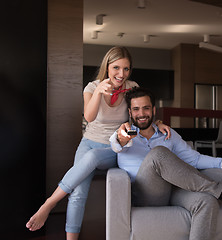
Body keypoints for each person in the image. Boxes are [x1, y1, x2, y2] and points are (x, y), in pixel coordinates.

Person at [26, 47, 171, 240]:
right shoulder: (92, 87)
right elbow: (89, 116)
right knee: (78, 192)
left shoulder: (132, 87)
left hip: (115, 147)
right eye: (116, 68)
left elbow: (140, 112)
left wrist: (157, 122)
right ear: (107, 66)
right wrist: (98, 93)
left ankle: (49, 202)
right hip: (88, 143)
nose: (121, 74)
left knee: (93, 157)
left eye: (126, 69)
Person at [110, 87, 222, 240]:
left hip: (172, 191)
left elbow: (194, 159)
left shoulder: (167, 134)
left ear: (153, 110)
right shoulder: (124, 134)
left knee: (207, 201)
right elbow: (116, 143)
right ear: (130, 112)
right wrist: (121, 139)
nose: (141, 114)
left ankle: (219, 195)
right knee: (158, 153)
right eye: (136, 109)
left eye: (146, 108)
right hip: (144, 195)